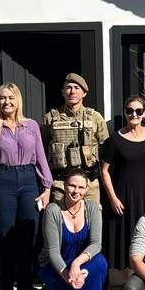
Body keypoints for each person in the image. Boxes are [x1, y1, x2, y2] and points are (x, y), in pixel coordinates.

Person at [0, 82, 53, 290]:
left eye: (11, 98)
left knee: (27, 237)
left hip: (29, 181)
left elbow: (40, 156)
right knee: (4, 239)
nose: (7, 102)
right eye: (2, 98)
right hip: (3, 182)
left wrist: (47, 186)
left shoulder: (31, 126)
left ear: (18, 100)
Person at [39, 169, 109, 290]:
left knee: (100, 264)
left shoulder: (92, 209)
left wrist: (77, 264)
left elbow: (96, 244)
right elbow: (53, 252)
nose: (76, 191)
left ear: (86, 190)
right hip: (57, 266)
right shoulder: (53, 211)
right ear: (64, 186)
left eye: (81, 187)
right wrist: (68, 276)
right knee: (77, 283)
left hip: (80, 265)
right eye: (72, 186)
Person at [99, 95, 145, 284]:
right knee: (126, 237)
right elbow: (104, 170)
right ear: (125, 113)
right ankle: (127, 283)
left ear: (144, 114)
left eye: (138, 111)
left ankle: (143, 282)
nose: (134, 114)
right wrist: (112, 198)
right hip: (124, 198)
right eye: (130, 110)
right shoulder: (115, 140)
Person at [43, 72, 109, 204]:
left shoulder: (95, 118)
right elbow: (42, 151)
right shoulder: (50, 118)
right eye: (68, 87)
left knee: (91, 220)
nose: (72, 91)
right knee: (61, 221)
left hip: (89, 184)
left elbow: (106, 151)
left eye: (76, 88)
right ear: (62, 92)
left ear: (84, 93)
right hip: (61, 184)